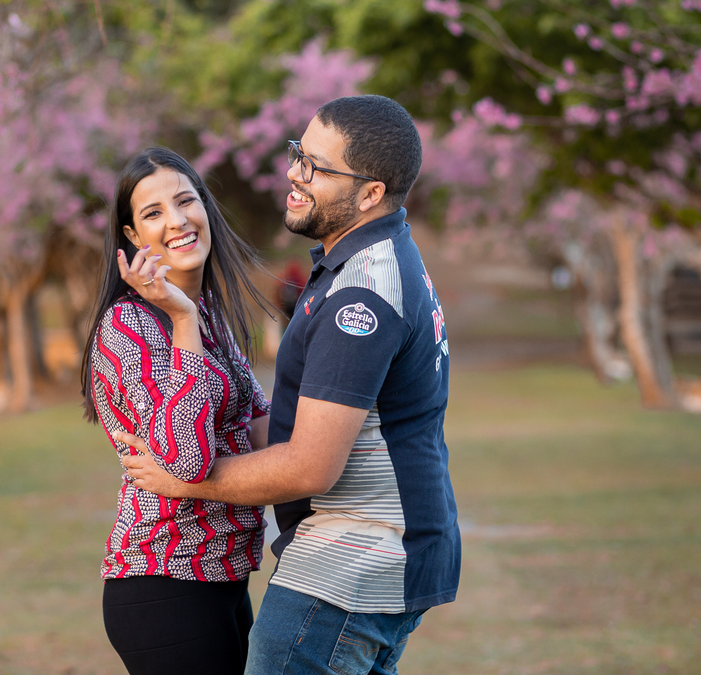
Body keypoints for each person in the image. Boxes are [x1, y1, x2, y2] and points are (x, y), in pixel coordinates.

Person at [115, 95, 460, 675]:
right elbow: (288, 420)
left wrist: (184, 483)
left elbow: (309, 467)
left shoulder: (361, 295)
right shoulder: (362, 262)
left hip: (349, 562)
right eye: (300, 153)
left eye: (318, 168)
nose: (295, 175)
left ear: (371, 193)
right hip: (370, 555)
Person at [80, 147, 275, 675]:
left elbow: (264, 428)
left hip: (225, 577)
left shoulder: (209, 314)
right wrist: (182, 321)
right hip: (164, 582)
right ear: (131, 236)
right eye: (153, 213)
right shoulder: (128, 328)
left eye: (186, 201)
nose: (177, 221)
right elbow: (185, 462)